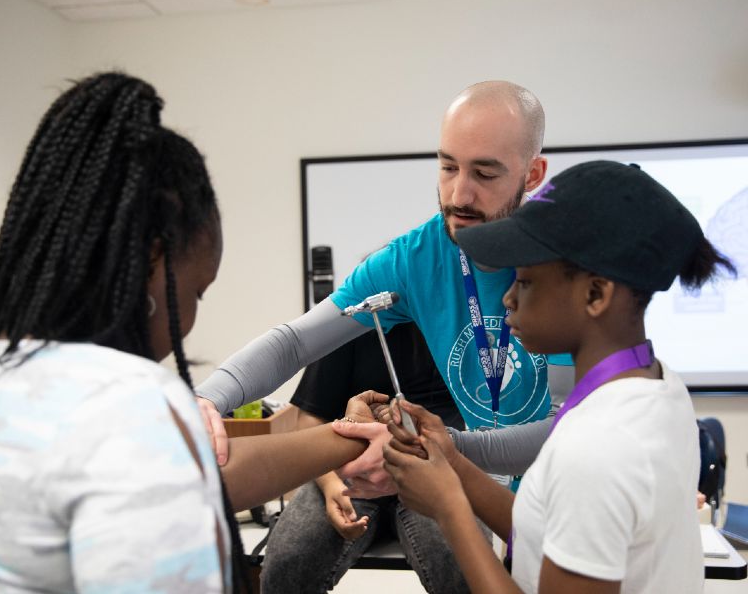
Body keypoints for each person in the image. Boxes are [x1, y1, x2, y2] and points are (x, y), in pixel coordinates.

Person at [0, 72, 381, 593]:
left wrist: (346, 436)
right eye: (197, 293)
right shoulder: (130, 403)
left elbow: (208, 470)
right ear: (152, 262)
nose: (192, 315)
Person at [196, 81, 574, 494]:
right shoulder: (415, 258)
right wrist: (208, 399)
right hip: (502, 498)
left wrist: (437, 447)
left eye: (484, 173)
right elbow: (294, 343)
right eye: (448, 167)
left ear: (532, 174)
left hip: (577, 495)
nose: (459, 194)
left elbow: (565, 428)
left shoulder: (566, 263)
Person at [382, 160, 737, 593]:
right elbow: (553, 534)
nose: (509, 298)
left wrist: (450, 509)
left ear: (595, 294)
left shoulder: (598, 450)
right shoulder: (656, 386)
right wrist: (453, 463)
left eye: (527, 282)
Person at [261, 322, 473, 594]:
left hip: (434, 470)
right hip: (350, 473)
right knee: (287, 562)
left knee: (462, 564)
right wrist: (330, 485)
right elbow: (310, 418)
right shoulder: (352, 322)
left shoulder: (467, 325)